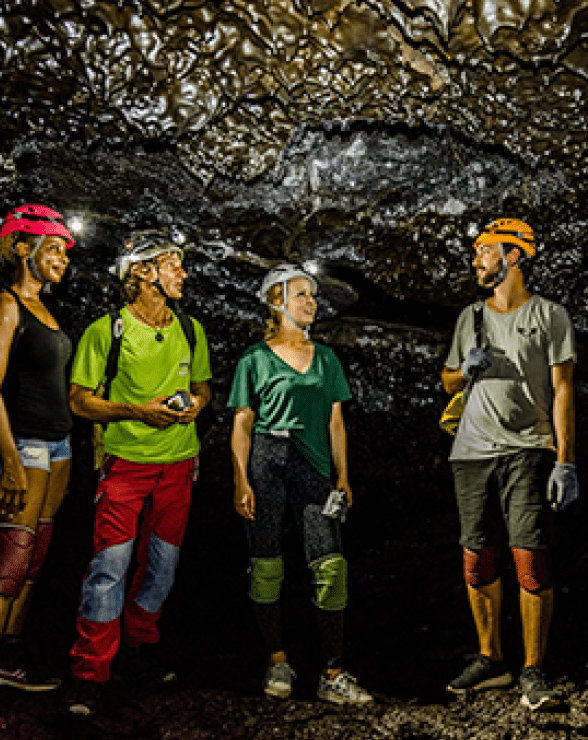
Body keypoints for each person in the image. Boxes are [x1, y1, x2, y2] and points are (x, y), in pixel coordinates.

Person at [62, 232, 212, 716]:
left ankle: (137, 650)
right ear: (144, 273)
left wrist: (195, 405)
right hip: (126, 465)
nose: (183, 274)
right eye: (173, 265)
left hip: (178, 464)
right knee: (110, 567)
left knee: (162, 566)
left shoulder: (191, 329)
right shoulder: (107, 332)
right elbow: (80, 400)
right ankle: (89, 672)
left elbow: (204, 387)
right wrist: (134, 411)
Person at [441, 218, 577, 712]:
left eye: (485, 251)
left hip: (528, 447)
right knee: (476, 557)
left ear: (513, 256)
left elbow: (563, 390)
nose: (477, 259)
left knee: (529, 556)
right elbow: (448, 381)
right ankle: (490, 658)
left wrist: (566, 460)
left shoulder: (549, 315)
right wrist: (465, 370)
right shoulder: (469, 318)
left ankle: (534, 668)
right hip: (472, 451)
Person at [227, 263, 373, 705]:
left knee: (330, 566)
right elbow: (242, 422)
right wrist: (240, 481)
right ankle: (277, 660)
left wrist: (343, 475)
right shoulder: (254, 359)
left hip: (313, 468)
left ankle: (332, 671)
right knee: (267, 565)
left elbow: (335, 421)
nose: (312, 303)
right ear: (277, 302)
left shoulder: (326, 358)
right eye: (302, 295)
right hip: (267, 462)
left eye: (312, 295)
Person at [0, 204, 75, 731]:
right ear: (22, 248)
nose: (62, 260)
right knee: (10, 554)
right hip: (23, 443)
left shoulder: (47, 311)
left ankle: (8, 660)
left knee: (36, 554)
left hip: (59, 445)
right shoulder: (5, 305)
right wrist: (9, 460)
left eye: (65, 253)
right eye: (53, 249)